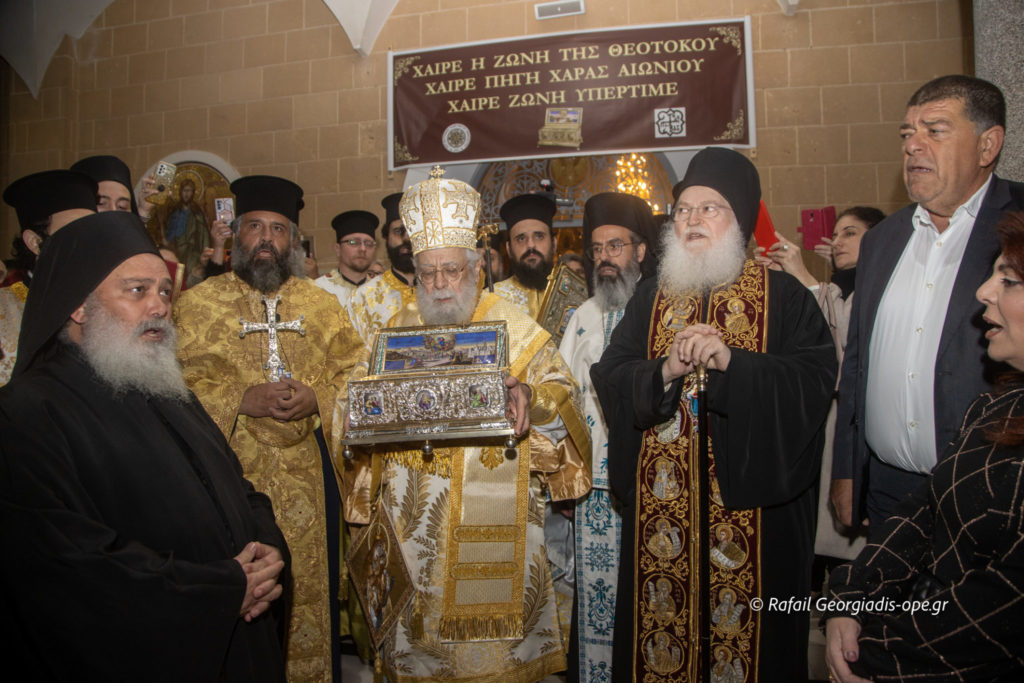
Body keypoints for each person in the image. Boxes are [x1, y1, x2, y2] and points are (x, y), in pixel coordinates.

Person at [0, 211, 288, 681]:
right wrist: (219, 590)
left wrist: (269, 550)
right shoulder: (26, 413)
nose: (158, 307)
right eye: (137, 291)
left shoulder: (167, 389)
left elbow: (240, 487)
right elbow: (68, 566)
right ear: (78, 304)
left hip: (240, 637)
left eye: (163, 292)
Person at [591, 147, 836, 682]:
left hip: (757, 527)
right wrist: (663, 371)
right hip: (663, 520)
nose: (693, 219)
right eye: (683, 210)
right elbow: (609, 373)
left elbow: (813, 385)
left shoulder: (786, 297)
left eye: (710, 208)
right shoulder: (650, 297)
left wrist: (734, 365)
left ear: (740, 223)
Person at [339, 168, 591, 682]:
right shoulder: (395, 329)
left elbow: (566, 393)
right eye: (427, 272)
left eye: (451, 270)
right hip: (410, 539)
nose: (438, 284)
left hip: (497, 520)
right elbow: (358, 404)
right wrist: (354, 413)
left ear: (477, 266)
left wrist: (529, 396)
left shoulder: (514, 325)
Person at [173, 175, 363, 682]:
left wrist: (317, 397)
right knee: (243, 603)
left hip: (309, 478)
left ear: (293, 241)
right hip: (230, 479)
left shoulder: (323, 306)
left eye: (277, 229)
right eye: (253, 226)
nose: (264, 238)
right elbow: (175, 388)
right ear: (235, 235)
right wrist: (240, 399)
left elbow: (354, 373)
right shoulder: (197, 306)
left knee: (309, 595)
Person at [824, 209, 1024, 683]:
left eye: (1008, 279)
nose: (982, 292)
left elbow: (1000, 608)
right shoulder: (994, 408)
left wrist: (873, 654)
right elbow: (925, 509)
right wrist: (851, 596)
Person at [832, 75, 1024, 531]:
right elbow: (857, 363)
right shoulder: (882, 240)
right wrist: (846, 470)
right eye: (906, 134)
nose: (913, 146)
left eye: (934, 131)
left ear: (987, 145)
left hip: (994, 491)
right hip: (887, 492)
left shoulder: (1018, 222)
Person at [558, 191, 657, 683]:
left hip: (650, 486)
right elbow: (559, 397)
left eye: (615, 247)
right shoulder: (581, 318)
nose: (604, 259)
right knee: (596, 603)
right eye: (596, 249)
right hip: (592, 493)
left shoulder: (663, 311)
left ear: (640, 251)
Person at [759, 206, 886, 564]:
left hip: (860, 424)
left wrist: (800, 273)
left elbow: (842, 348)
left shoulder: (877, 290)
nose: (838, 241)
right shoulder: (838, 288)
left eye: (851, 233)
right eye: (838, 233)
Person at [1, 169, 98, 385]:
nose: (87, 242)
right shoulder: (4, 308)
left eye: (94, 230)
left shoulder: (112, 302)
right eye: (72, 232)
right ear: (35, 242)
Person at [70, 154, 185, 297]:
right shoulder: (67, 262)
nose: (113, 212)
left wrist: (143, 209)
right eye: (101, 203)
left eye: (122, 206)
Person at [346, 192, 418, 345]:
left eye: (412, 231)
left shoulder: (441, 292)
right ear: (386, 237)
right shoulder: (362, 298)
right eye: (398, 231)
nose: (406, 239)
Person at [493, 192, 559, 317]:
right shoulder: (493, 300)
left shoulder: (575, 295)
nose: (530, 245)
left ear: (554, 243)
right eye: (521, 239)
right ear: (509, 249)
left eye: (539, 236)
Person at [315, 209, 378, 306]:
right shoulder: (318, 290)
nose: (363, 248)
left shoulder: (382, 290)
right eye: (354, 242)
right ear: (338, 249)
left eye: (368, 243)